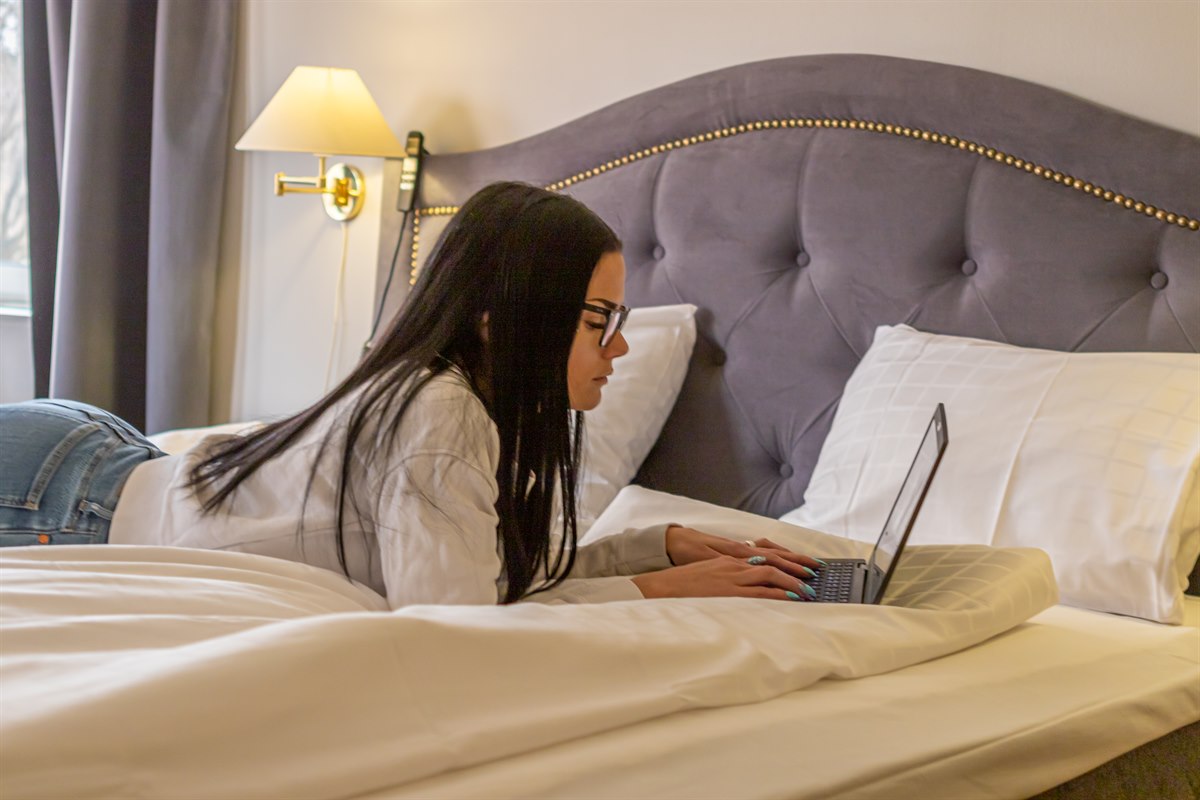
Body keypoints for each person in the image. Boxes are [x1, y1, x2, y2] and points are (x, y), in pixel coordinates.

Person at [0, 182, 820, 607]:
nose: (620, 346)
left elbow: (496, 573)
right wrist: (649, 590)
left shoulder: (460, 405)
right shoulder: (442, 412)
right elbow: (457, 619)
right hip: (67, 500)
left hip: (92, 462)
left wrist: (658, 544)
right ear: (508, 322)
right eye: (598, 320)